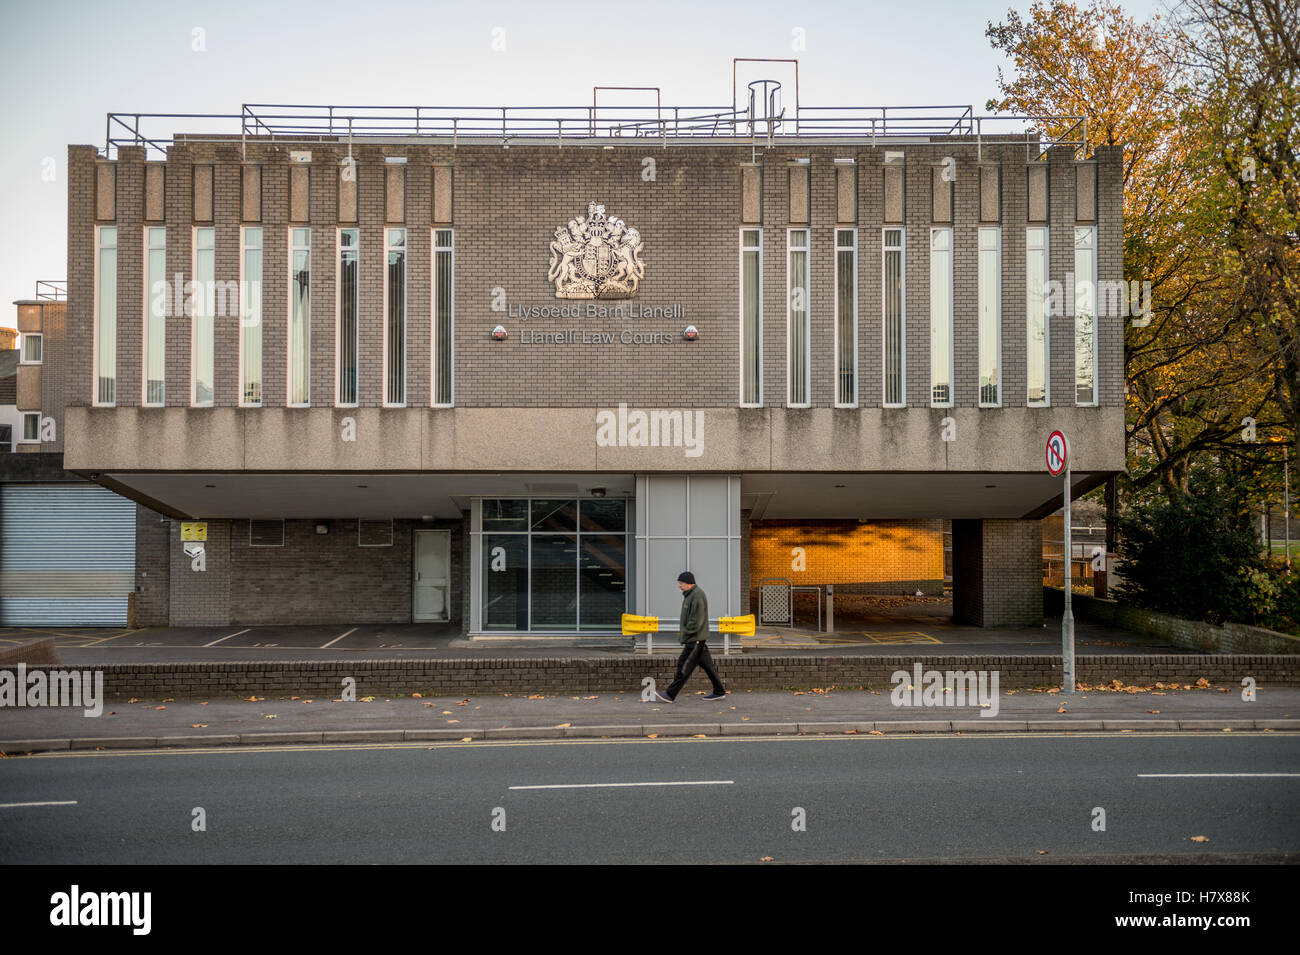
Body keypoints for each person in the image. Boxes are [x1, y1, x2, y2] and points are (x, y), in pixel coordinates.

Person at [655, 571, 726, 702]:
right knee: (708, 667)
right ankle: (719, 691)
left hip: (695, 639)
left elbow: (696, 621)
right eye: (679, 583)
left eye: (681, 583)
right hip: (697, 639)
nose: (679, 586)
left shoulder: (697, 596)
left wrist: (685, 633)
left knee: (684, 666)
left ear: (690, 584)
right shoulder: (690, 595)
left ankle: (670, 694)